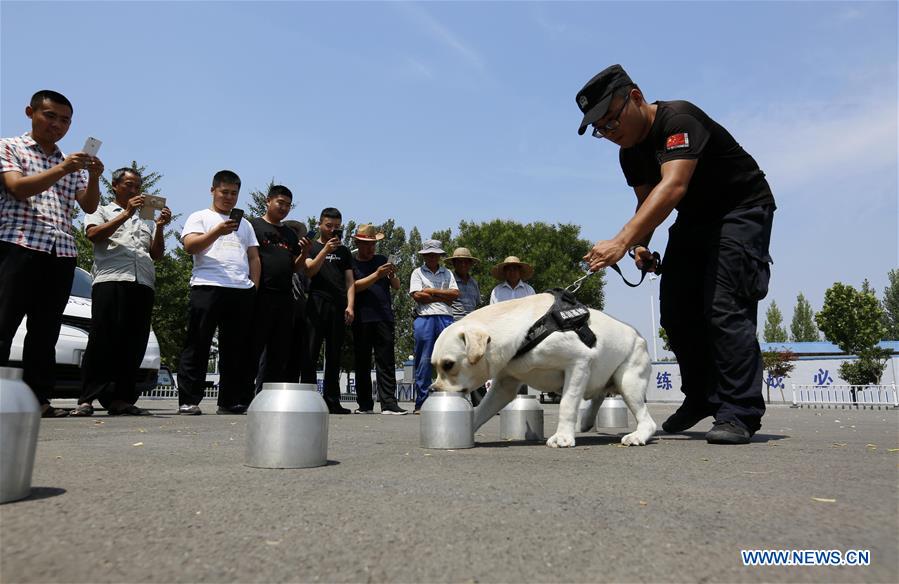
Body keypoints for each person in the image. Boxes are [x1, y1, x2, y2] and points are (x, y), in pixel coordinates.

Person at [575, 64, 775, 444]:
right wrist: (639, 244)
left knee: (723, 306)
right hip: (695, 219)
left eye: (611, 121)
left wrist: (619, 242)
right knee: (676, 309)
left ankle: (738, 412)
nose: (610, 133)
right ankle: (701, 396)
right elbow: (646, 201)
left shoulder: (678, 119)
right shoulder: (630, 153)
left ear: (635, 97)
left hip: (740, 209)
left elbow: (673, 187)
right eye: (600, 129)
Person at [0, 90, 103, 418]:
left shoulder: (69, 162)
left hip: (60, 252)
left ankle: (37, 399)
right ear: (30, 112)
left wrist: (95, 177)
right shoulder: (9, 147)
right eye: (50, 116)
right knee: (3, 323)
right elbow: (17, 187)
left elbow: (88, 205)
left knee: (45, 331)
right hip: (18, 245)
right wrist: (63, 169)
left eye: (65, 120)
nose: (57, 125)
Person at [71, 168, 172, 417]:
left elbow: (156, 254)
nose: (134, 190)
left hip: (143, 282)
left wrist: (159, 227)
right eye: (128, 185)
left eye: (137, 186)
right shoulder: (101, 209)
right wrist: (126, 214)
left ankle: (121, 399)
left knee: (133, 342)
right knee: (102, 340)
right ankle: (87, 398)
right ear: (115, 186)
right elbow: (93, 235)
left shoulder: (146, 218)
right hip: (111, 279)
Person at [176, 170, 260, 415]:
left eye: (234, 193)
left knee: (235, 349)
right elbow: (190, 246)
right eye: (224, 192)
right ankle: (189, 400)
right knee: (198, 343)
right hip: (207, 285)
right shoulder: (200, 217)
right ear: (213, 190)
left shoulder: (245, 224)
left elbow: (253, 256)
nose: (229, 197)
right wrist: (217, 231)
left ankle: (229, 401)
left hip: (240, 289)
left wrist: (253, 286)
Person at [248, 186, 309, 392]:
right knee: (253, 348)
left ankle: (268, 396)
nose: (283, 208)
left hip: (285, 298)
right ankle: (242, 396)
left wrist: (305, 252)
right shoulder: (252, 226)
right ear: (268, 201)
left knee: (279, 352)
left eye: (288, 205)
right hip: (260, 294)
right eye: (280, 203)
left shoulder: (289, 235)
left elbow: (295, 267)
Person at [350, 224, 407, 415]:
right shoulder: (351, 262)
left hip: (383, 316)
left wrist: (391, 274)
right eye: (367, 244)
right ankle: (365, 404)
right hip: (362, 317)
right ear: (357, 242)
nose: (371, 248)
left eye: (373, 244)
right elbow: (353, 287)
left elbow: (397, 286)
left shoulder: (381, 260)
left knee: (386, 361)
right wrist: (376, 275)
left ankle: (389, 403)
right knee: (362, 361)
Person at [302, 207, 354, 415]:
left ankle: (332, 400)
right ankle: (307, 399)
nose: (333, 230)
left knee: (334, 354)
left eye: (337, 227)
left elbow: (350, 280)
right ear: (320, 224)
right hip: (316, 302)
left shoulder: (344, 251)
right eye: (329, 226)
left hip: (338, 305)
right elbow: (309, 270)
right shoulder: (312, 246)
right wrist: (325, 250)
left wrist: (350, 305)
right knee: (310, 352)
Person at [409, 240, 459, 413]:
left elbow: (455, 294)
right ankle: (421, 402)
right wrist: (442, 296)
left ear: (439, 256)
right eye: (429, 254)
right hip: (425, 317)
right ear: (424, 256)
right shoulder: (417, 272)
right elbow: (417, 296)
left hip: (446, 317)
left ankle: (448, 399)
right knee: (424, 360)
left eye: (435, 254)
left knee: (448, 359)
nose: (432, 257)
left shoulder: (447, 273)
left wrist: (431, 291)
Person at [489, 256, 536, 395]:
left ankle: (520, 398)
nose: (512, 272)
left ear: (520, 271)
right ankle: (501, 398)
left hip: (523, 334)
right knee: (504, 366)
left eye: (515, 268)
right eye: (509, 269)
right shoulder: (497, 291)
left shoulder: (529, 290)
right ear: (505, 272)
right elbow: (493, 313)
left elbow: (535, 313)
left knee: (521, 366)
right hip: (504, 334)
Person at [446, 247, 486, 405]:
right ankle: (455, 399)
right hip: (455, 323)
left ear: (470, 264)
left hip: (472, 325)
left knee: (475, 362)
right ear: (454, 263)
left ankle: (479, 401)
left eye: (465, 261)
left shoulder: (474, 283)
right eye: (459, 261)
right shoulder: (450, 280)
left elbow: (476, 304)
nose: (463, 264)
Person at [282, 220, 313, 384]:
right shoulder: (281, 253)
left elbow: (307, 285)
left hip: (300, 310)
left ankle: (291, 388)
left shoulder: (304, 258)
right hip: (281, 308)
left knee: (296, 353)